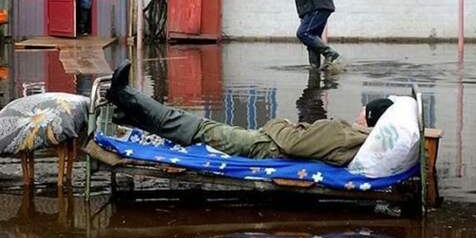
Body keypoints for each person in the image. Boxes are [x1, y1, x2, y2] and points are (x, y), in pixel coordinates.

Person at [106, 61, 393, 167]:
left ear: (369, 118)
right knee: (195, 125)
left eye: (363, 110)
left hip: (263, 147)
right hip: (267, 145)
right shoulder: (360, 139)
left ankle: (125, 96)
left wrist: (277, 123)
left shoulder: (347, 134)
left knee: (195, 126)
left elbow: (292, 143)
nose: (358, 113)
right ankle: (129, 113)